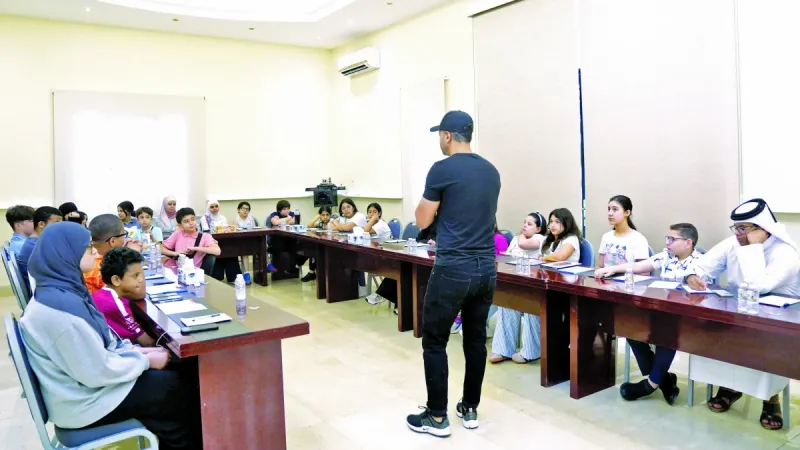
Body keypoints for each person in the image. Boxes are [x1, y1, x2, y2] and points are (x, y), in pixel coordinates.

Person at [19, 221, 201, 450]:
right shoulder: (59, 312)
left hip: (81, 392)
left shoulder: (60, 291)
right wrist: (144, 360)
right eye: (87, 248)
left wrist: (137, 351)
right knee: (176, 389)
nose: (95, 251)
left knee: (172, 384)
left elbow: (102, 344)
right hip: (84, 403)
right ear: (66, 254)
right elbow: (97, 371)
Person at [406, 110, 500, 437]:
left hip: (453, 268)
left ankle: (436, 417)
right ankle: (470, 408)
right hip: (486, 268)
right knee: (475, 341)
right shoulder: (491, 171)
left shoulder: (442, 169)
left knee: (434, 341)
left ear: (447, 135)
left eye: (439, 135)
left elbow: (421, 219)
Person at [685, 199, 799, 430]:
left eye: (743, 228)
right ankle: (729, 386)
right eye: (735, 228)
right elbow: (700, 265)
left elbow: (759, 286)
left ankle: (771, 398)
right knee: (715, 330)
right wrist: (691, 276)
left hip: (777, 318)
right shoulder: (732, 243)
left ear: (762, 228)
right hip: (739, 310)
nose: (737, 233)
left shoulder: (785, 252)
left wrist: (754, 247)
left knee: (763, 341)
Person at [596, 223, 701, 405]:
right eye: (666, 238)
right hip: (660, 309)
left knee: (666, 334)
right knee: (630, 328)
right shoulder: (668, 256)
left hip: (682, 317)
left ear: (688, 242)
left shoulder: (701, 263)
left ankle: (650, 384)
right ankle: (665, 380)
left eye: (672, 239)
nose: (667, 243)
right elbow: (642, 265)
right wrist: (613, 269)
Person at [490, 209, 582, 364]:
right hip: (545, 285)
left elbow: (560, 257)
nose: (553, 225)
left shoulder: (571, 239)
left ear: (567, 223)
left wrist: (543, 257)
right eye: (551, 221)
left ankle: (531, 351)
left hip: (563, 289)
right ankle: (503, 349)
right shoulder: (551, 241)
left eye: (557, 222)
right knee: (508, 303)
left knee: (533, 304)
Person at [366, 222, 437, 312]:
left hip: (435, 259)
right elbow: (418, 238)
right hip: (423, 252)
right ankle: (398, 304)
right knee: (401, 266)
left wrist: (428, 242)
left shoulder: (446, 224)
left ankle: (387, 297)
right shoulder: (430, 223)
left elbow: (441, 241)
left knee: (408, 270)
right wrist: (424, 242)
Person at [93, 247, 154, 346]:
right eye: (135, 275)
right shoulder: (115, 304)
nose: (141, 279)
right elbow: (146, 342)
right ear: (116, 280)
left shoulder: (102, 294)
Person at [85, 214, 141, 295]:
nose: (125, 239)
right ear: (113, 241)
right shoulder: (102, 265)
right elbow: (137, 292)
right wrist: (134, 255)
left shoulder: (86, 254)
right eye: (123, 234)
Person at [596, 195, 650, 268]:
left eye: (615, 209)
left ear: (627, 213)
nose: (610, 213)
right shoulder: (606, 237)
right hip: (607, 278)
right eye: (609, 209)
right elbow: (600, 266)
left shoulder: (638, 239)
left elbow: (644, 272)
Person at [17, 206, 62, 292]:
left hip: (44, 288)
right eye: (56, 223)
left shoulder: (34, 242)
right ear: (41, 224)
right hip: (44, 292)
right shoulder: (37, 246)